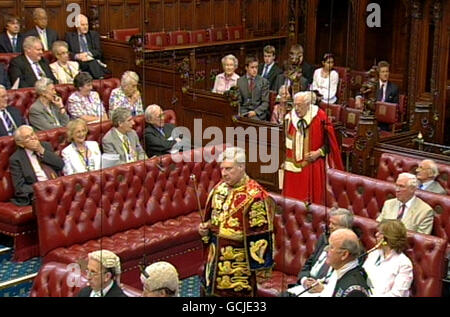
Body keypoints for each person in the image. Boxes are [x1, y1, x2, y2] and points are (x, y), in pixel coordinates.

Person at [198, 147, 274, 297]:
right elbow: (209, 221)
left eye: (229, 169)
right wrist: (204, 229)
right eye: (222, 169)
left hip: (238, 267)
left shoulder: (255, 196)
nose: (224, 173)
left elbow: (260, 237)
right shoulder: (219, 188)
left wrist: (260, 270)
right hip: (213, 262)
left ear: (242, 167)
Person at [282, 91, 344, 204]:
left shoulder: (320, 117)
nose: (296, 108)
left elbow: (331, 143)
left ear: (308, 104)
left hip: (313, 166)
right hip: (292, 169)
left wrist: (319, 152)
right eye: (295, 104)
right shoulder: (290, 117)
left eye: (299, 105)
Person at [290, 208, 354, 297]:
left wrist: (324, 288)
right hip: (304, 288)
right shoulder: (324, 238)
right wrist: (304, 280)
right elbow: (308, 265)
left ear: (345, 228)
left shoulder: (351, 249)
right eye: (330, 222)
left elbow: (346, 281)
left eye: (334, 224)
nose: (330, 226)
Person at [9, 125, 64, 206]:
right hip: (38, 193)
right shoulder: (16, 159)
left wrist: (41, 150)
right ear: (21, 144)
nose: (33, 138)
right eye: (27, 137)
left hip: (56, 186)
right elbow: (20, 187)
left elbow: (60, 165)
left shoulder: (45, 146)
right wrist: (41, 188)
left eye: (32, 134)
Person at [363, 220, 413, 297]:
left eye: (380, 233)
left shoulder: (404, 264)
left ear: (388, 238)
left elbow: (397, 294)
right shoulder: (374, 254)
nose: (376, 235)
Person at [318, 228, 370, 297]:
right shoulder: (338, 271)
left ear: (344, 254)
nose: (326, 249)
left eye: (331, 247)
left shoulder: (354, 291)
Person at [65, 14, 110, 79]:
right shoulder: (70, 36)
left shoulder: (93, 35)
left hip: (91, 60)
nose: (85, 27)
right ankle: (100, 78)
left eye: (87, 24)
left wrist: (87, 54)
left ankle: (99, 79)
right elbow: (68, 52)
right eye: (83, 25)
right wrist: (77, 56)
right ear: (76, 25)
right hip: (79, 62)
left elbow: (98, 51)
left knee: (92, 62)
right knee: (93, 64)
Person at [236, 56, 270, 120]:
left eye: (256, 67)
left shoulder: (263, 82)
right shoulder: (240, 81)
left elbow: (265, 103)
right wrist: (240, 112)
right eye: (252, 67)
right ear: (246, 68)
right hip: (244, 112)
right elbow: (239, 102)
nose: (255, 70)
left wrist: (255, 112)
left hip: (258, 114)